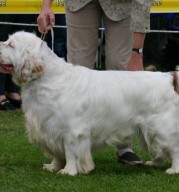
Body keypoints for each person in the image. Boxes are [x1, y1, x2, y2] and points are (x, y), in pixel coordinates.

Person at [37, 0, 153, 165]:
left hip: (122, 5)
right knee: (76, 74)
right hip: (80, 3)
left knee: (119, 68)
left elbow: (143, 3)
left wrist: (137, 53)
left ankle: (124, 145)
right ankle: (72, 146)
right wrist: (46, 5)